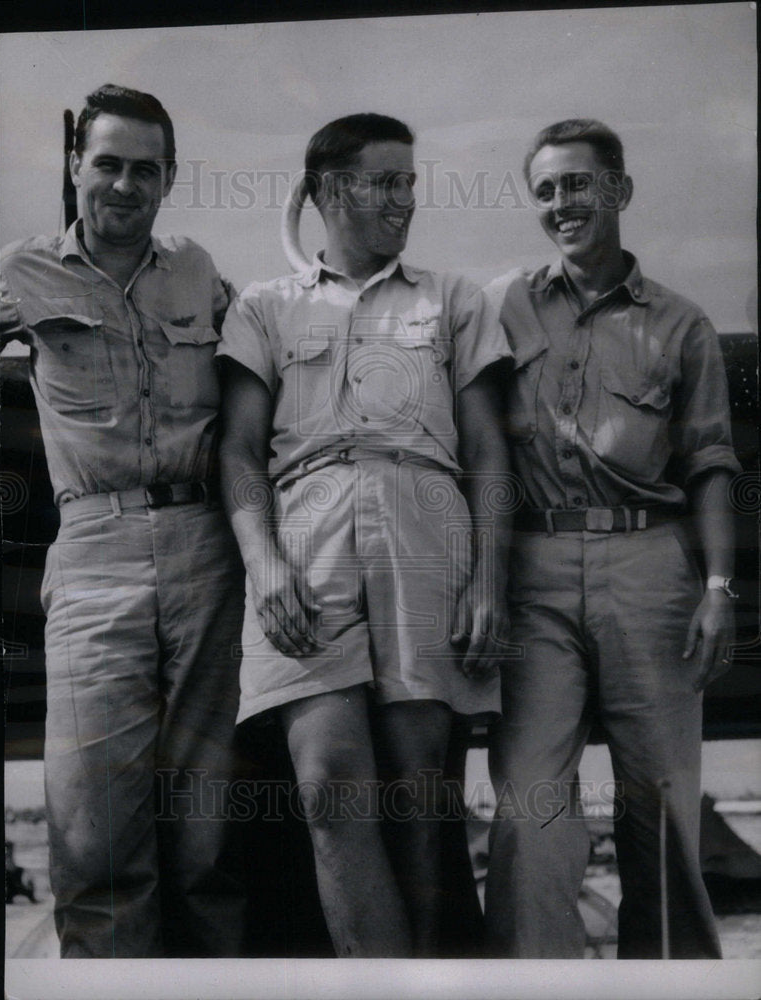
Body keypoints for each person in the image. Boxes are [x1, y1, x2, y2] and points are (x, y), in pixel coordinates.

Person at [218, 113, 512, 957]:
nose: (403, 201)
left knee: (423, 798)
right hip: (304, 544)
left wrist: (490, 577)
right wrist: (263, 563)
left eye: (408, 183)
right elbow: (237, 451)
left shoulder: (452, 301)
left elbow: (489, 450)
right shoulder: (264, 307)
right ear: (327, 191)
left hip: (427, 537)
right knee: (327, 789)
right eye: (384, 182)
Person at [0, 84, 248, 957]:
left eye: (146, 170)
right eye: (107, 164)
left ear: (168, 179)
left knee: (208, 841)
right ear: (77, 167)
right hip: (94, 554)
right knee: (97, 839)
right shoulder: (20, 271)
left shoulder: (198, 271)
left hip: (209, 555)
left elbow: (266, 367)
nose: (124, 185)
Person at [483, 118, 740, 958]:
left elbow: (708, 464)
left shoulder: (681, 324)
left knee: (660, 809)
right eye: (546, 190)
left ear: (620, 191)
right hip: (533, 571)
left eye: (578, 184)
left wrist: (714, 590)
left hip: (650, 569)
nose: (561, 204)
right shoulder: (499, 305)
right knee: (528, 806)